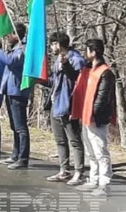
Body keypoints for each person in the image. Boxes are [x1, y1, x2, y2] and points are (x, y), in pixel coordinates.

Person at [72, 39, 116, 196]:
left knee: (100, 151)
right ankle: (93, 179)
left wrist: (93, 114)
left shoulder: (105, 72)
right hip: (86, 116)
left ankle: (104, 183)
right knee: (91, 151)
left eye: (87, 50)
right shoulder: (88, 70)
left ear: (93, 52)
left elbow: (103, 98)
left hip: (96, 118)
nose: (85, 53)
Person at [44, 32, 87, 184]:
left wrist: (66, 65)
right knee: (60, 140)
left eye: (53, 44)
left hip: (69, 105)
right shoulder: (57, 60)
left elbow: (77, 79)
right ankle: (64, 170)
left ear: (58, 44)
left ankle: (79, 172)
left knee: (74, 139)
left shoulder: (76, 59)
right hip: (56, 104)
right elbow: (55, 82)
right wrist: (41, 80)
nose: (51, 47)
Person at [0, 23, 30, 170]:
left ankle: (23, 157)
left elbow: (11, 61)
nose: (8, 38)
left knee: (21, 127)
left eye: (10, 35)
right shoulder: (14, 49)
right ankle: (15, 153)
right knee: (14, 126)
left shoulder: (22, 49)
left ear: (16, 35)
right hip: (9, 90)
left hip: (18, 91)